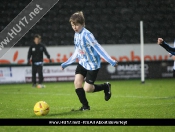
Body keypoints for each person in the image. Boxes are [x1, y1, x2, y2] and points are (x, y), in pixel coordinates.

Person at [61, 11, 118, 111]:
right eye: (72, 25)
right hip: (82, 62)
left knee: (88, 89)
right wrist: (67, 63)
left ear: (82, 24)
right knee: (77, 83)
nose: (74, 27)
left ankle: (105, 86)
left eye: (77, 25)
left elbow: (98, 48)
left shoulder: (87, 35)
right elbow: (77, 51)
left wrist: (110, 60)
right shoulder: (76, 35)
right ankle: (85, 107)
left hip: (92, 64)